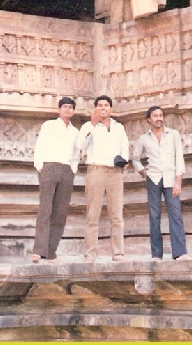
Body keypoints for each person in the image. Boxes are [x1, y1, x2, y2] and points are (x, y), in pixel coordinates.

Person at [132, 106, 192, 261]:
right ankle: (156, 254)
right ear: (149, 119)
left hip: (171, 178)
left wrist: (178, 181)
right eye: (155, 116)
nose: (158, 118)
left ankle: (180, 253)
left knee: (176, 215)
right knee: (154, 216)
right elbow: (135, 158)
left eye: (160, 115)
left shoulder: (173, 134)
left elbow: (179, 158)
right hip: (153, 178)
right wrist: (144, 172)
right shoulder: (144, 138)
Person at [76, 95, 130, 263]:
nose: (103, 108)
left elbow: (125, 147)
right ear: (96, 108)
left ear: (111, 108)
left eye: (106, 105)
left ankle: (118, 253)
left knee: (117, 215)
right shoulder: (88, 126)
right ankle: (90, 254)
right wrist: (92, 124)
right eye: (100, 105)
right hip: (96, 170)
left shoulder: (118, 127)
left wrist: (124, 161)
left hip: (115, 172)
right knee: (93, 214)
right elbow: (80, 146)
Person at [31, 97, 80, 263]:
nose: (68, 110)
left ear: (73, 111)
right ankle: (39, 251)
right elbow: (40, 145)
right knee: (45, 210)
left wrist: (73, 169)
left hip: (66, 170)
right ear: (59, 109)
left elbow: (76, 153)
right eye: (65, 107)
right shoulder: (49, 125)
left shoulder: (75, 132)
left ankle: (51, 251)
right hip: (49, 167)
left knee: (60, 212)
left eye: (71, 107)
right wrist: (40, 166)